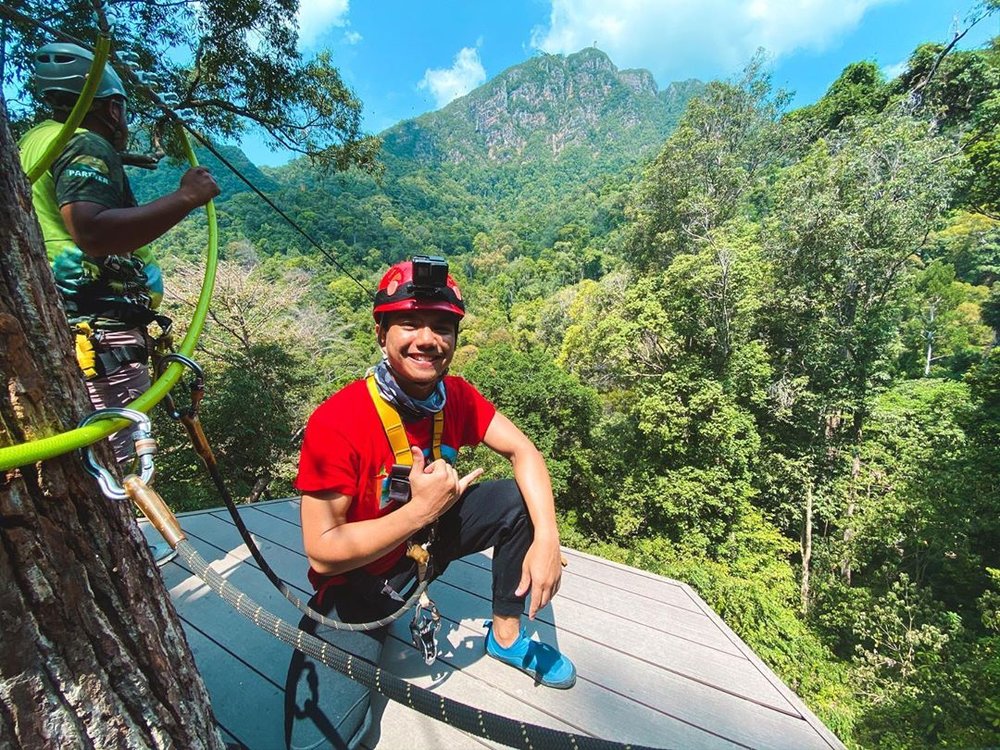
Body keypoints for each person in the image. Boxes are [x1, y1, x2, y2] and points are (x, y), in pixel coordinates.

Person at [286, 255, 575, 748]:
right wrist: (422, 509)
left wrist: (548, 539)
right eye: (409, 323)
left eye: (443, 327)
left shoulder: (455, 397)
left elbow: (525, 451)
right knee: (321, 741)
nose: (427, 339)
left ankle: (506, 637)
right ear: (381, 333)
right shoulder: (339, 421)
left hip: (426, 542)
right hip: (361, 583)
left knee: (518, 500)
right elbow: (322, 549)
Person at [18, 42, 220, 463]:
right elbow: (91, 230)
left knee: (83, 458)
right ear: (112, 109)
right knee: (118, 465)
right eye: (123, 111)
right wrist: (187, 197)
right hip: (100, 335)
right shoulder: (84, 144)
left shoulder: (32, 142)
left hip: (63, 327)